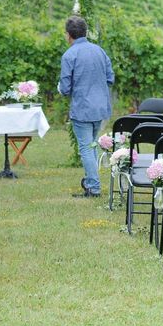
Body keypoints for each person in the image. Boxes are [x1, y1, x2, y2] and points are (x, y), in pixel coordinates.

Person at [58, 15, 115, 198]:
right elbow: (110, 78)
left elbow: (65, 89)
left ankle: (93, 186)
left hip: (82, 108)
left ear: (68, 35)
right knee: (91, 145)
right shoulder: (99, 51)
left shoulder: (69, 55)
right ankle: (91, 181)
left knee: (86, 148)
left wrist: (61, 88)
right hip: (100, 108)